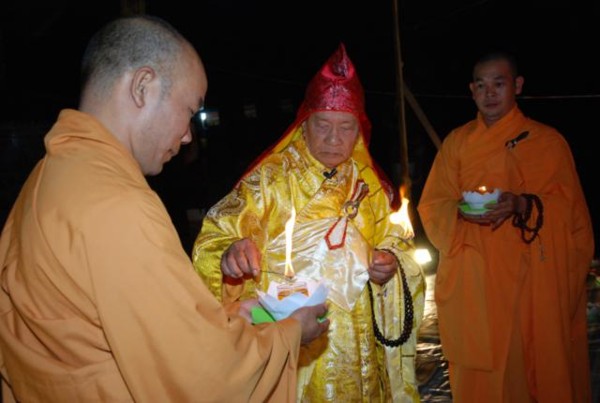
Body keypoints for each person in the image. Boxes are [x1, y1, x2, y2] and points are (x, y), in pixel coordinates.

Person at [0, 15, 330, 402]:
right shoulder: (119, 206)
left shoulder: (47, 177)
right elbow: (202, 377)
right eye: (189, 110)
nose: (188, 135)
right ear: (143, 86)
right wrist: (292, 332)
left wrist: (229, 320)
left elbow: (132, 329)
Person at [192, 43, 426, 402]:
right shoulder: (268, 180)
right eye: (323, 125)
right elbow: (214, 240)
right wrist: (229, 255)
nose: (333, 139)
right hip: (293, 345)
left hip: (361, 347)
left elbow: (396, 240)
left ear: (360, 129)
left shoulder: (369, 184)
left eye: (345, 127)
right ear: (304, 124)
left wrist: (389, 262)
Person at [417, 50, 594, 402]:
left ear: (517, 85)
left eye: (498, 84)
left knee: (527, 366)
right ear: (472, 91)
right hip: (474, 279)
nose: (490, 93)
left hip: (528, 282)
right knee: (479, 369)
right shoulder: (457, 143)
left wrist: (522, 204)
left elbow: (571, 214)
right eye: (481, 85)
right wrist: (460, 213)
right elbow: (433, 203)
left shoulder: (546, 142)